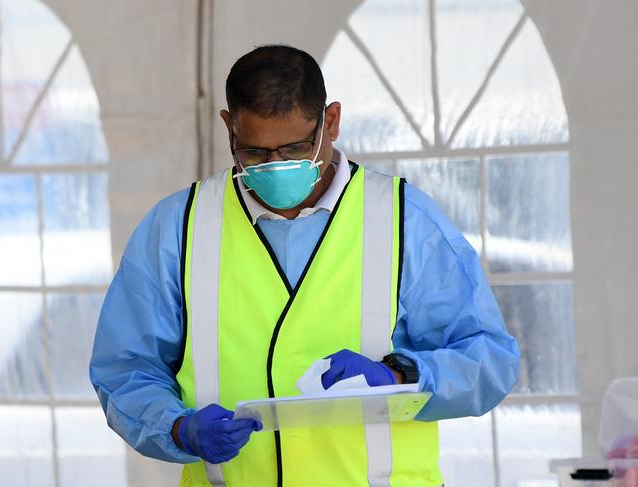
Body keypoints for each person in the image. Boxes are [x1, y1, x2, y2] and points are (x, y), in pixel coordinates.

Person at [89, 44, 520, 487]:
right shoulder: (177, 227)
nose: (275, 166)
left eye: (293, 148)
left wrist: (400, 374)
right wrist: (178, 428)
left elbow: (489, 359)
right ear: (228, 127)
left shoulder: (405, 220)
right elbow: (123, 368)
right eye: (254, 153)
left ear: (330, 121)